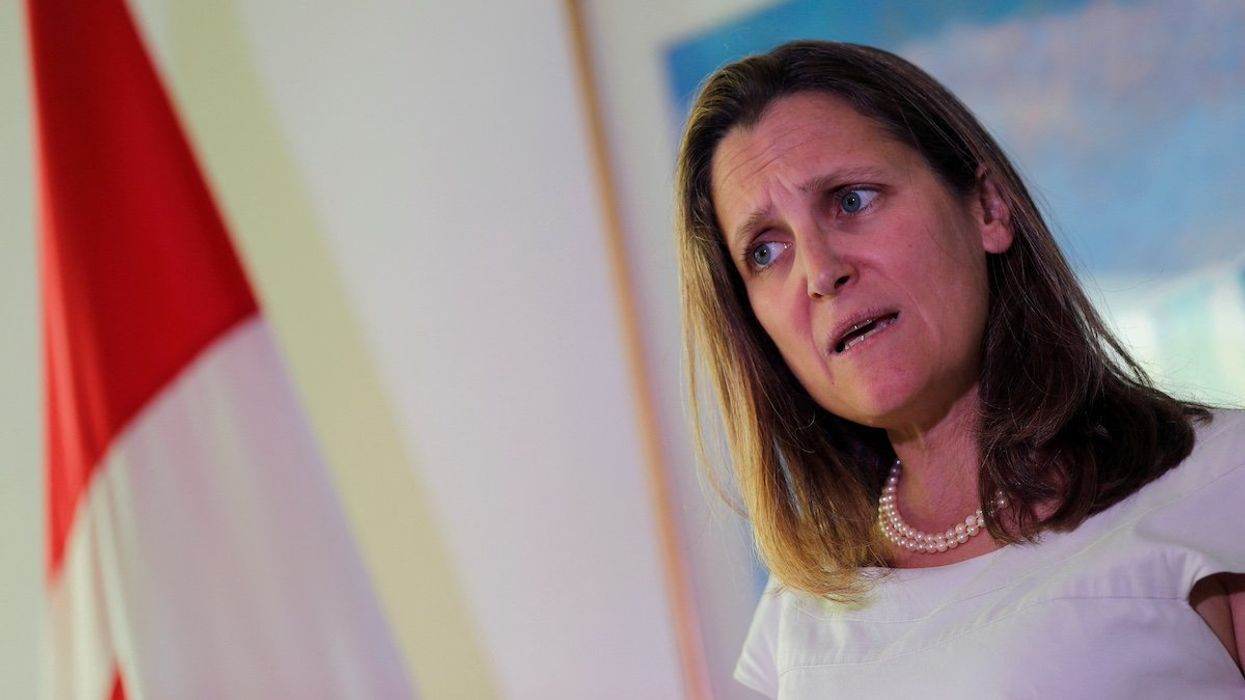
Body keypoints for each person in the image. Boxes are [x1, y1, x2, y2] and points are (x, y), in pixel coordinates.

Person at [675, 40, 1244, 697]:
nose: (819, 272)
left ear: (987, 208)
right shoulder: (800, 610)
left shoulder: (1219, 484)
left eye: (851, 200)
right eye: (766, 251)